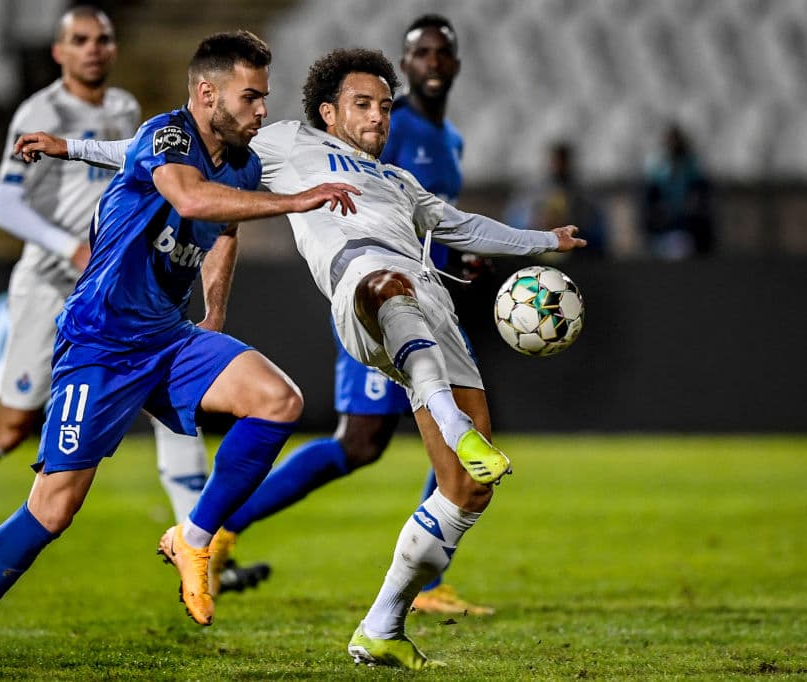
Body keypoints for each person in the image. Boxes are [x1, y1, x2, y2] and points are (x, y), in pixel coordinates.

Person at [34, 46, 585, 670]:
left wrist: (544, 241)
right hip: (363, 292)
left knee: (464, 491)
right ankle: (455, 429)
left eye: (384, 107)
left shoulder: (399, 182)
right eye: (363, 105)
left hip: (432, 309)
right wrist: (73, 149)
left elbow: (461, 226)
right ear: (329, 111)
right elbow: (163, 153)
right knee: (385, 288)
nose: (378, 118)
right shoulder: (287, 144)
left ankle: (383, 626)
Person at [0, 30, 358, 682]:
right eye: (251, 96)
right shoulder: (169, 136)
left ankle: (195, 537)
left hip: (168, 336)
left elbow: (223, 231)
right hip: (98, 345)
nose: (263, 109)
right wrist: (295, 201)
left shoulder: (239, 163)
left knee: (277, 402)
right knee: (54, 508)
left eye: (265, 97)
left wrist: (214, 312)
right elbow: (189, 199)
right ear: (207, 94)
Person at [0, 5, 268, 600]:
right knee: (9, 427)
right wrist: (67, 243)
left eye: (103, 38)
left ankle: (201, 547)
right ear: (58, 51)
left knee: (176, 412)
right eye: (80, 40)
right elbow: (4, 207)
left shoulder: (130, 108)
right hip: (53, 281)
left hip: (119, 279)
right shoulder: (36, 111)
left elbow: (133, 154)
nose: (94, 49)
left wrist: (76, 150)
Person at [194, 13, 493, 616]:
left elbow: (417, 211)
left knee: (384, 438)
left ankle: (427, 581)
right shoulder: (389, 126)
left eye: (443, 54)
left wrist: (457, 251)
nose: (433, 63)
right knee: (359, 442)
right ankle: (223, 530)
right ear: (404, 69)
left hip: (423, 290)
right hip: (376, 295)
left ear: (455, 65)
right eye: (420, 54)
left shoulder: (451, 140)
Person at [504, 141, 608, 257]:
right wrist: (537, 222)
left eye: (563, 160)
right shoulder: (532, 191)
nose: (560, 165)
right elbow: (515, 226)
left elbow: (597, 231)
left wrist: (576, 225)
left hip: (575, 254)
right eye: (557, 160)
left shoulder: (584, 193)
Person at [640, 123, 714, 259]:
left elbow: (699, 192)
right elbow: (651, 196)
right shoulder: (657, 166)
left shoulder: (691, 165)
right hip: (665, 220)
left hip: (687, 220)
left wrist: (692, 205)